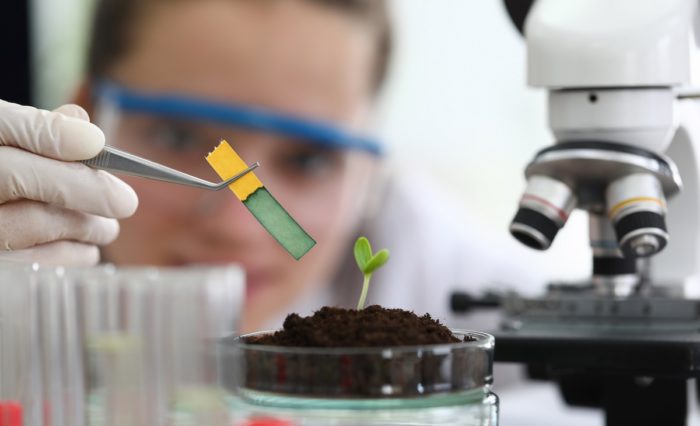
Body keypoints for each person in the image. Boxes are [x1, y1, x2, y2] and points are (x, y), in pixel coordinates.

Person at [0, 0, 542, 333]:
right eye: (177, 135)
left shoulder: (448, 282)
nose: (237, 225)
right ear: (88, 118)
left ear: (372, 177)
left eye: (308, 160)